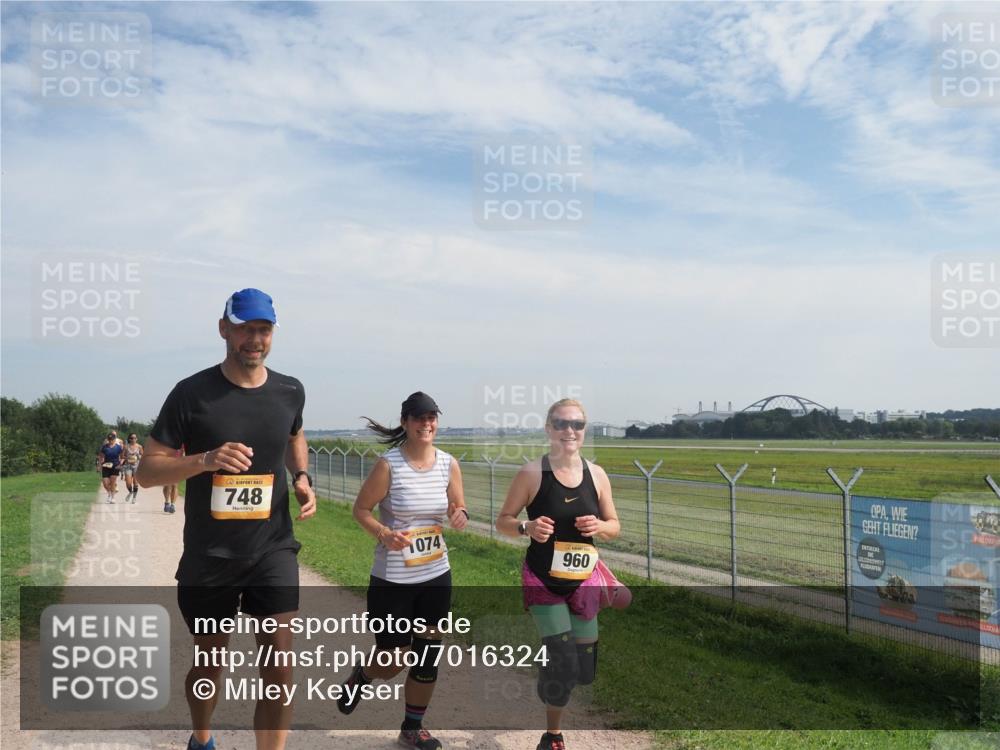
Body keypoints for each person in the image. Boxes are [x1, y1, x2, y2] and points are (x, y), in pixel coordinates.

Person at [136, 288, 316, 750]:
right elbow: (148, 469)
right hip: (210, 555)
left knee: (279, 660)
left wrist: (301, 477)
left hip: (272, 546)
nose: (255, 339)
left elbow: (296, 433)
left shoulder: (290, 389)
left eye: (264, 330)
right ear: (224, 329)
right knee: (210, 662)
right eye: (245, 329)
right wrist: (205, 460)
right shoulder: (191, 394)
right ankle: (202, 736)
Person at [337, 391, 468, 750]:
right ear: (406, 423)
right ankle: (363, 675)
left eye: (432, 418)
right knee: (394, 659)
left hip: (436, 574)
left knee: (427, 655)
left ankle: (413, 727)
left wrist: (460, 515)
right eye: (419, 418)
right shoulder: (389, 465)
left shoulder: (448, 463)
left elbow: (459, 506)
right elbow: (361, 509)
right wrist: (383, 532)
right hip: (393, 579)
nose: (427, 424)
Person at [496, 399, 620, 750]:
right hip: (542, 579)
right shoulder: (532, 474)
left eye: (577, 424)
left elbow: (615, 525)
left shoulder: (597, 475)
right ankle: (553, 736)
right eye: (562, 423)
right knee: (563, 664)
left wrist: (601, 525)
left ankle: (550, 668)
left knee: (583, 669)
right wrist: (526, 526)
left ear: (585, 430)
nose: (570, 430)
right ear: (549, 428)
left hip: (583, 582)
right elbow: (502, 520)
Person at [96, 432, 124, 503]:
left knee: (112, 482)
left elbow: (122, 457)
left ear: (115, 439)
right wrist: (99, 466)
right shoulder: (104, 447)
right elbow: (101, 456)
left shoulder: (118, 447)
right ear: (108, 439)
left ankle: (113, 497)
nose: (110, 440)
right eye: (109, 439)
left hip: (115, 466)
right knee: (105, 483)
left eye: (112, 439)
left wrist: (120, 464)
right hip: (106, 465)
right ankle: (109, 494)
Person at [121, 433, 143, 503]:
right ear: (129, 439)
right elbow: (122, 456)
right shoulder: (126, 447)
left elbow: (143, 456)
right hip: (128, 466)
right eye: (132, 438)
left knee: (136, 483)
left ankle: (134, 497)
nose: (133, 439)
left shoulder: (139, 447)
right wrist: (127, 458)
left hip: (137, 466)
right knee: (128, 483)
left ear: (136, 439)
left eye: (135, 438)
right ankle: (130, 492)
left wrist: (138, 456)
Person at [162, 446, 182, 514]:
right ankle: (167, 502)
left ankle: (172, 505)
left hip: (177, 465)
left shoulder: (182, 443)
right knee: (167, 485)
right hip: (167, 464)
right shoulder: (166, 442)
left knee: (175, 485)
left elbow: (183, 454)